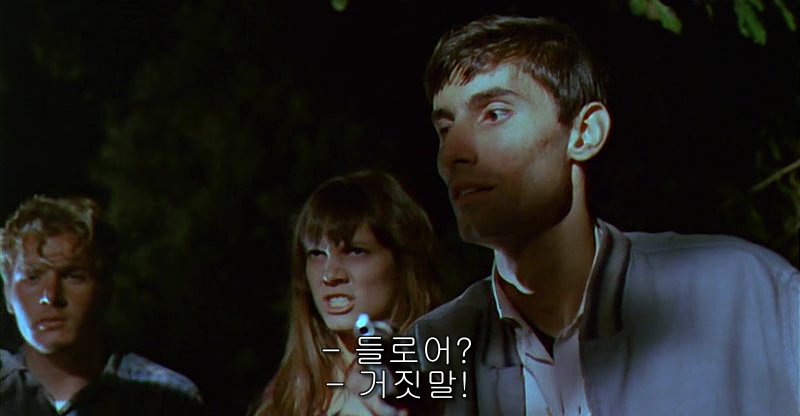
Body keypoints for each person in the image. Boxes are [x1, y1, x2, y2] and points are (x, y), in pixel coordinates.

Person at [392, 15, 798, 416]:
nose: (453, 153)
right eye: (445, 129)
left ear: (585, 134)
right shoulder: (434, 350)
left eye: (495, 114)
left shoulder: (746, 292)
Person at [253, 169, 441, 416]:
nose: (330, 275)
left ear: (402, 263)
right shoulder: (285, 394)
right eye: (316, 254)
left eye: (355, 251)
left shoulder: (445, 376)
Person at [0, 195, 205, 415]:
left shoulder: (164, 398)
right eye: (33, 278)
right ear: (8, 294)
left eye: (73, 276)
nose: (50, 296)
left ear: (105, 289)